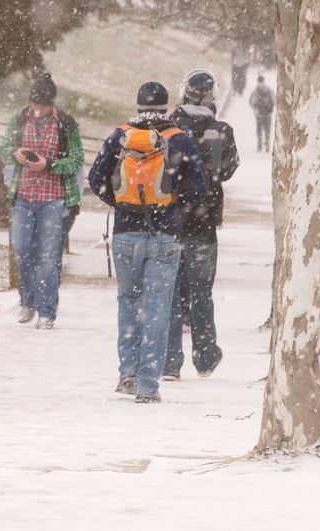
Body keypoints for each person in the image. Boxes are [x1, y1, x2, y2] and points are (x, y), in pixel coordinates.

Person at [88, 81, 207, 403]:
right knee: (157, 308)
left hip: (126, 234)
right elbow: (199, 187)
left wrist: (123, 205)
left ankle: (127, 372)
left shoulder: (120, 136)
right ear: (166, 106)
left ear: (138, 104)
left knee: (129, 303)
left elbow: (95, 179)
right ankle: (148, 384)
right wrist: (172, 206)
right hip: (165, 236)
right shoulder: (178, 139)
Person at [163, 69, 240, 381]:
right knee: (201, 292)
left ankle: (170, 361)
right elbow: (230, 168)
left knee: (169, 292)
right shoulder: (221, 130)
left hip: (169, 220)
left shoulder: (167, 128)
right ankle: (205, 356)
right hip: (204, 222)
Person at [0, 73, 84, 329]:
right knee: (23, 250)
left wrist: (49, 165)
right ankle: (28, 300)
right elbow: (3, 149)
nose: (37, 109)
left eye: (42, 105)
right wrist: (16, 154)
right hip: (23, 197)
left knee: (49, 257)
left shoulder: (66, 124)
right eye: (34, 103)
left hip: (53, 199)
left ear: (51, 104)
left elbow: (77, 159)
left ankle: (47, 311)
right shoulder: (19, 119)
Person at [249, 75, 275, 152]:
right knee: (267, 129)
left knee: (259, 129)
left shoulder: (255, 91)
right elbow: (274, 101)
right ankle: (267, 144)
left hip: (259, 113)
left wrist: (255, 108)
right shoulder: (269, 90)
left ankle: (260, 144)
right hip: (267, 113)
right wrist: (270, 107)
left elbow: (251, 101)